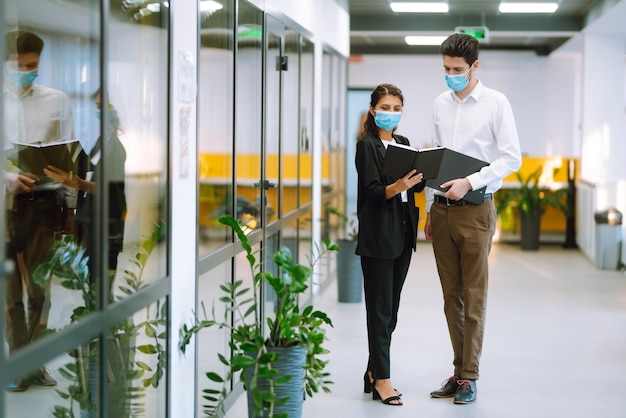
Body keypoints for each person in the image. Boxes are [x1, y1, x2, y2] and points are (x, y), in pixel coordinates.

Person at [424, 33, 522, 404]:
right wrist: (432, 207)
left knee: (473, 296)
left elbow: (511, 158)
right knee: (451, 298)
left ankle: (471, 376)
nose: (451, 74)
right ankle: (458, 370)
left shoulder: (496, 103)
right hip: (443, 212)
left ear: (475, 66)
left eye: (458, 69)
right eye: (446, 69)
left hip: (477, 211)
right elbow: (436, 157)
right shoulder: (440, 103)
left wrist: (470, 181)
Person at [3, 30, 77, 391]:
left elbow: (69, 155)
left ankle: (36, 363)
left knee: (39, 291)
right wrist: (8, 177)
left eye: (33, 66)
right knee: (11, 291)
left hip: (44, 207)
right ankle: (19, 364)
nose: (27, 72)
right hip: (6, 206)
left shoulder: (56, 101)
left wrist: (65, 179)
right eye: (20, 66)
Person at [355, 83, 425, 406]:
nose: (391, 113)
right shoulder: (366, 146)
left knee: (391, 311)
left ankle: (372, 371)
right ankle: (383, 380)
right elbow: (372, 191)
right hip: (378, 239)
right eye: (385, 107)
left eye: (397, 108)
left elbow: (411, 189)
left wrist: (420, 178)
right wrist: (398, 185)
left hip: (403, 235)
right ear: (373, 110)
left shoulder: (404, 143)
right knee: (379, 312)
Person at [44, 89, 127, 300]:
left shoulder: (116, 148)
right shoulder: (102, 141)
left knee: (101, 290)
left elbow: (108, 188)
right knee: (92, 285)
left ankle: (108, 333)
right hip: (93, 223)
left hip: (108, 226)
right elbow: (86, 165)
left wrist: (77, 183)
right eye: (97, 107)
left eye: (102, 106)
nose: (98, 112)